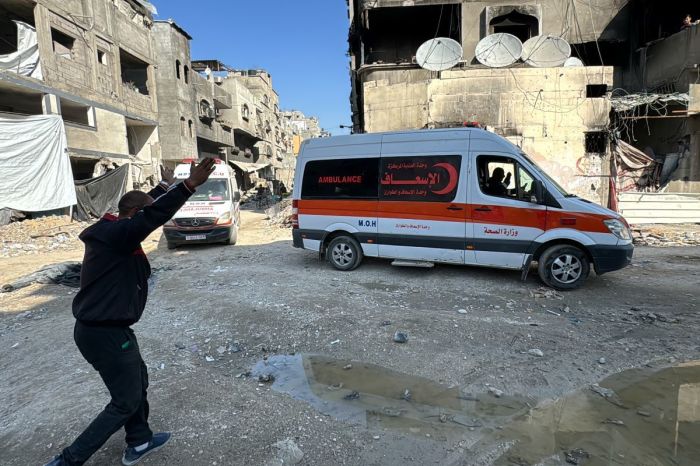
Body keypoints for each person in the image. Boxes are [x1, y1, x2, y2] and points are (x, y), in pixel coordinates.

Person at [44, 159, 216, 466]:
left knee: (139, 378)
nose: (148, 229)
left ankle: (139, 442)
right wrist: (188, 186)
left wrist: (164, 187)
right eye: (142, 219)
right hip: (104, 333)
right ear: (133, 217)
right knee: (124, 401)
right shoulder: (120, 236)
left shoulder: (112, 228)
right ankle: (68, 460)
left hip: (107, 329)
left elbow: (141, 207)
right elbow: (149, 214)